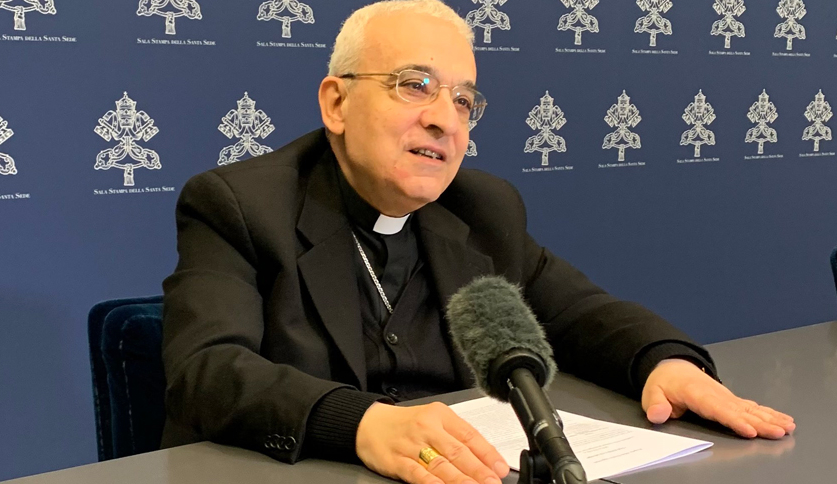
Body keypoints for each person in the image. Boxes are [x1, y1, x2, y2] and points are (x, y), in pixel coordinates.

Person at [161, 1, 795, 484]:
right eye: (415, 84)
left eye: (464, 101)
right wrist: (357, 423)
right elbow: (207, 368)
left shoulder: (481, 206)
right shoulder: (241, 206)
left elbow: (576, 310)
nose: (445, 117)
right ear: (337, 103)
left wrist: (663, 360)